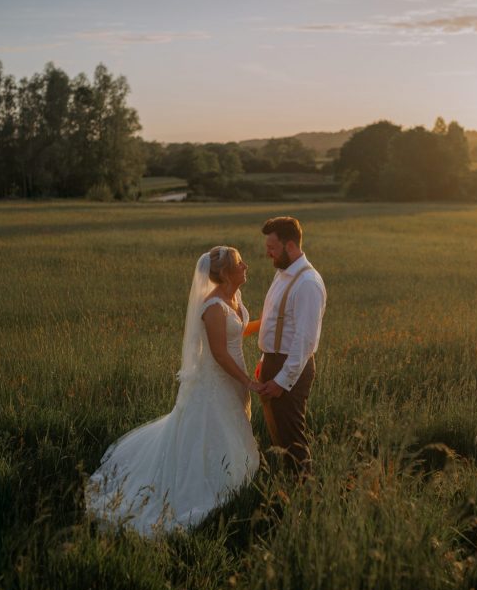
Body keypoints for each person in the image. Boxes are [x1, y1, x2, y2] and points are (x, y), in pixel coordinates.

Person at [85, 246, 261, 536]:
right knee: (212, 433)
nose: (246, 267)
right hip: (217, 381)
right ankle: (206, 487)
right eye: (241, 264)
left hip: (234, 378)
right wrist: (248, 381)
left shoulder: (233, 297)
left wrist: (267, 322)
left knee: (233, 429)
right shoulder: (213, 307)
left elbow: (238, 331)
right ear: (227, 273)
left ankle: (231, 478)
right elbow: (219, 353)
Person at [256, 217, 327, 476]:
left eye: (272, 247)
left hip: (290, 369)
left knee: (292, 443)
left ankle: (305, 499)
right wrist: (265, 361)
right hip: (273, 362)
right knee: (280, 439)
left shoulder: (307, 283)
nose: (268, 252)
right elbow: (275, 321)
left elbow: (304, 340)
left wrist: (282, 379)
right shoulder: (283, 274)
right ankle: (290, 493)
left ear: (290, 246)